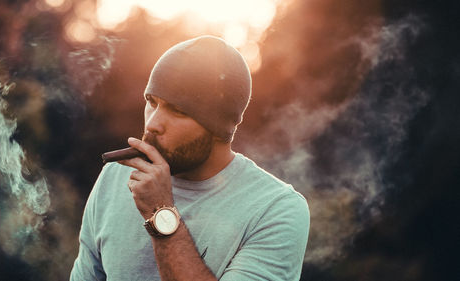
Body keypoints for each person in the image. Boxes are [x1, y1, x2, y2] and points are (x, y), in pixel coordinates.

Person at [70, 35, 310, 281]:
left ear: (218, 128)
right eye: (151, 102)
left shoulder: (276, 210)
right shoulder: (117, 174)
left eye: (178, 110)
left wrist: (159, 213)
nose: (152, 125)